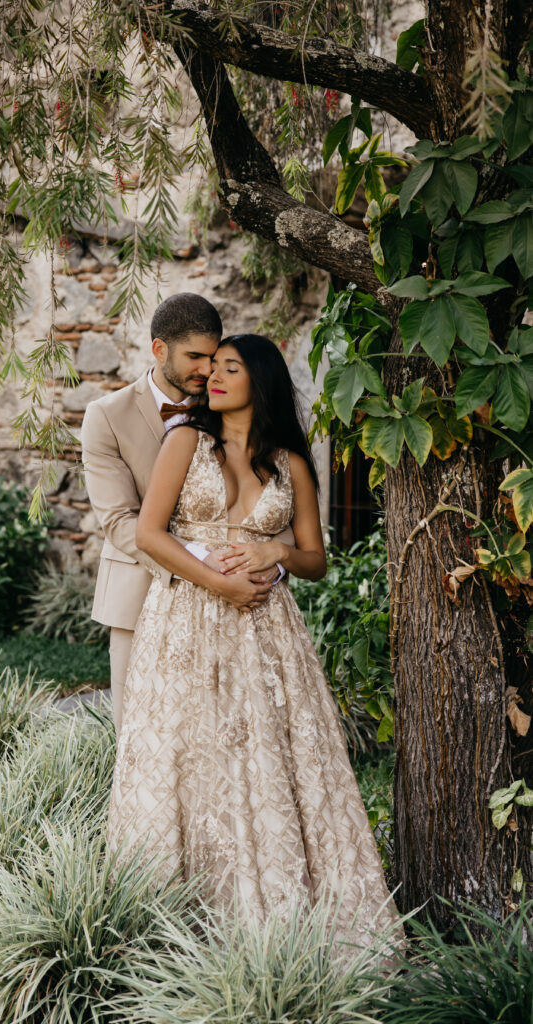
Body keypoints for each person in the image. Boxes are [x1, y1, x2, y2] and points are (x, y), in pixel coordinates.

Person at [106, 333, 399, 939]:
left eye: (229, 367)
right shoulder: (186, 439)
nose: (213, 376)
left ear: (258, 380)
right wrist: (221, 584)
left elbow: (317, 558)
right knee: (185, 754)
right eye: (211, 366)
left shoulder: (291, 459)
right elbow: (149, 534)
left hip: (268, 631)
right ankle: (172, 931)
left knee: (268, 757)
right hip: (185, 619)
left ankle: (279, 918)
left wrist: (276, 549)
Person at [81, 294, 291, 737]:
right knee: (143, 739)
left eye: (213, 358)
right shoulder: (106, 416)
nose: (206, 370)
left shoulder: (230, 406)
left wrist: (264, 567)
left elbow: (276, 505)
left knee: (226, 740)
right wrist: (201, 561)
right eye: (195, 357)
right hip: (141, 597)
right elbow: (120, 520)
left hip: (237, 606)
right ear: (159, 350)